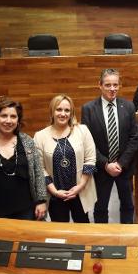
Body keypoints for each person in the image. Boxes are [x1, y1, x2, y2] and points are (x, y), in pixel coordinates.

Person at [0, 97, 48, 220]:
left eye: (13, 116)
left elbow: (38, 172)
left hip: (27, 210)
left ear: (18, 120)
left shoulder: (27, 142)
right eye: (3, 116)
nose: (8, 121)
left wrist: (41, 200)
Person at [82, 69, 138, 223]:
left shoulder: (128, 107)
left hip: (124, 168)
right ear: (99, 85)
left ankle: (126, 238)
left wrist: (120, 163)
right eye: (108, 85)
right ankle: (103, 243)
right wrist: (106, 164)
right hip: (101, 169)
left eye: (115, 85)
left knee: (128, 205)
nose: (112, 89)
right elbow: (87, 142)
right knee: (100, 208)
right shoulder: (88, 109)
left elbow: (134, 138)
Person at [34, 94, 97, 223]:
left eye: (67, 110)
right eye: (59, 109)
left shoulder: (82, 130)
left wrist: (80, 186)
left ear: (71, 112)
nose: (63, 114)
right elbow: (40, 168)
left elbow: (90, 160)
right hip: (56, 195)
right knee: (60, 232)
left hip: (80, 192)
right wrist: (54, 191)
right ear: (52, 111)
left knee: (82, 228)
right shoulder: (40, 136)